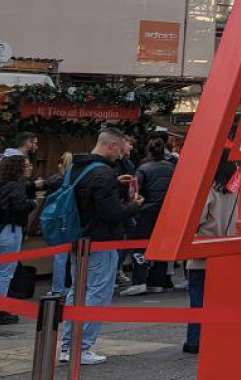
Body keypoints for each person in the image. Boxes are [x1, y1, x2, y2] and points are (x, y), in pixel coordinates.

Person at [58, 127, 144, 366]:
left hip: (78, 238)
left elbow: (90, 198)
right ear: (112, 145)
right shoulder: (103, 173)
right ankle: (82, 346)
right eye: (121, 147)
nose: (121, 155)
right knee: (97, 293)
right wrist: (135, 205)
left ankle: (68, 345)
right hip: (101, 240)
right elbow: (111, 212)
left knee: (77, 291)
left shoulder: (77, 168)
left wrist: (115, 185)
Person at [184, 154, 238, 355]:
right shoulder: (237, 189)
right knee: (223, 299)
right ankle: (220, 338)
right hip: (229, 251)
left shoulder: (209, 188)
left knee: (198, 300)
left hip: (203, 251)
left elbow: (197, 218)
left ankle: (194, 341)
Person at [0, 153, 37, 325]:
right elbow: (20, 206)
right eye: (26, 165)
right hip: (11, 230)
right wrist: (33, 204)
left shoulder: (2, 185)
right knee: (5, 273)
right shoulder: (17, 186)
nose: (29, 168)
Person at [123, 136, 177, 296]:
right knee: (161, 246)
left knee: (139, 245)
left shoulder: (143, 168)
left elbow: (134, 192)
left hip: (147, 210)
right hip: (167, 211)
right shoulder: (172, 167)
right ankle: (158, 282)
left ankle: (139, 281)